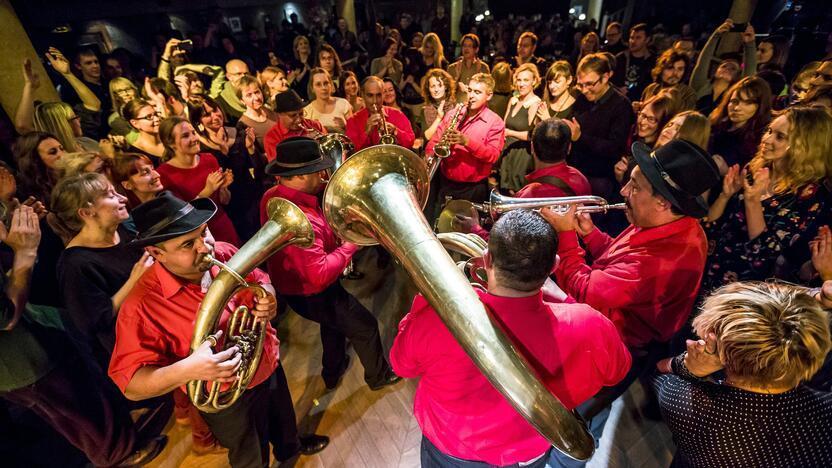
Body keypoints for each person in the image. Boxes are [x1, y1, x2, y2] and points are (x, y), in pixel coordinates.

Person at [390, 209, 631, 467]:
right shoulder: (590, 325)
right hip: (528, 451)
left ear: (487, 259)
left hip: (450, 448)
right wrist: (563, 298)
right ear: (554, 266)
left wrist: (423, 305)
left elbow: (400, 364)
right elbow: (618, 371)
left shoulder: (437, 318)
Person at [107, 192, 329, 467]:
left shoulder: (222, 251)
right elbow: (131, 385)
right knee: (249, 453)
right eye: (188, 243)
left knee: (282, 417)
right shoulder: (141, 306)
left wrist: (268, 297)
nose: (206, 246)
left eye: (205, 232)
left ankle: (290, 447)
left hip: (266, 362)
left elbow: (260, 280)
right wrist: (189, 369)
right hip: (227, 395)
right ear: (156, 253)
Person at [541, 139, 721, 460]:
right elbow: (617, 260)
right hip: (617, 338)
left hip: (615, 348)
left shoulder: (662, 257)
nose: (624, 192)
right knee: (590, 412)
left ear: (664, 202)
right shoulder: (671, 224)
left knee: (572, 422)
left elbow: (584, 289)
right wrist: (590, 235)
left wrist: (566, 235)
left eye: (635, 187)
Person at [0, 204, 167, 467]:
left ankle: (123, 434)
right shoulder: (77, 263)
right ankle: (117, 455)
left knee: (89, 392)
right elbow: (6, 316)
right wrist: (25, 251)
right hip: (21, 362)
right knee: (78, 414)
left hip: (39, 336)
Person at [259, 137, 401, 392]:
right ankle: (378, 377)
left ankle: (332, 372)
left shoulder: (271, 196)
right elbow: (320, 274)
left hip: (293, 288)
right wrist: (351, 244)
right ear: (301, 176)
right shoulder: (304, 219)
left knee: (333, 325)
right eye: (319, 171)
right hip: (314, 293)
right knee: (365, 326)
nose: (325, 176)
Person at [654, 281, 832, 467]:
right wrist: (816, 298)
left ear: (722, 354)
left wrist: (688, 366)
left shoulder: (694, 408)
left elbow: (658, 374)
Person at [703, 106, 832, 295]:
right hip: (710, 269)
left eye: (780, 137)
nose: (767, 140)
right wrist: (725, 195)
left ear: (806, 146)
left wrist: (752, 201)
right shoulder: (756, 169)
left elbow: (764, 255)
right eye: (769, 131)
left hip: (742, 290)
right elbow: (711, 225)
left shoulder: (810, 196)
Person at [425, 73, 505, 221]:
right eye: (470, 90)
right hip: (446, 184)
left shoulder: (495, 122)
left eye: (478, 92)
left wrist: (466, 141)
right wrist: (429, 157)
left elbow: (492, 155)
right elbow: (434, 141)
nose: (471, 96)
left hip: (473, 190)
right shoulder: (452, 114)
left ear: (489, 95)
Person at [156, 116, 240, 246]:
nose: (194, 139)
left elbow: (224, 201)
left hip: (223, 225)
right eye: (185, 136)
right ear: (170, 143)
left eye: (193, 133)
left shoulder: (209, 159)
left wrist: (223, 187)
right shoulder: (164, 174)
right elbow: (180, 217)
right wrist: (207, 190)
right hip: (199, 237)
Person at [568, 54, 635, 200]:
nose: (584, 90)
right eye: (580, 85)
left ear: (605, 77)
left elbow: (615, 148)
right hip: (575, 173)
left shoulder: (621, 105)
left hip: (599, 179)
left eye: (590, 84)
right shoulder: (581, 99)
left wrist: (580, 137)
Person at [690, 19, 757, 116]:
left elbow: (749, 73)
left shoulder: (735, 93)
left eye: (733, 68)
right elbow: (703, 61)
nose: (727, 69)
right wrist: (716, 35)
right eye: (724, 66)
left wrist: (749, 44)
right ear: (716, 71)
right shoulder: (701, 85)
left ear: (737, 76)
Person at [708, 76, 772, 168]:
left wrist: (727, 172)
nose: (737, 108)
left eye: (747, 103)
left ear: (760, 107)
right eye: (734, 101)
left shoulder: (759, 142)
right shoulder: (715, 125)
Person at [500, 63, 542, 193]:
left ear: (534, 81)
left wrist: (509, 132)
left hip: (522, 154)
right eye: (519, 80)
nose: (521, 84)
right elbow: (504, 124)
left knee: (517, 193)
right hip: (508, 151)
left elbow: (533, 135)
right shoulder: (513, 100)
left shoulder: (535, 103)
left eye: (526, 80)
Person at [345, 76, 415, 151]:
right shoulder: (353, 120)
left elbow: (410, 141)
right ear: (363, 95)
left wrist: (396, 131)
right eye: (370, 95)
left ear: (383, 94)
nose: (375, 101)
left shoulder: (397, 114)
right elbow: (351, 150)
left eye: (378, 95)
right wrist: (366, 132)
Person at [263, 90, 326, 161]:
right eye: (293, 115)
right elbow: (279, 166)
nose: (299, 120)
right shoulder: (271, 137)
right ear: (279, 115)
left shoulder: (315, 125)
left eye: (301, 114)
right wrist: (306, 144)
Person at [612, 24, 655, 102]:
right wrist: (617, 89)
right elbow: (608, 79)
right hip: (618, 102)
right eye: (631, 38)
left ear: (647, 39)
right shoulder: (620, 58)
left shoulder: (652, 61)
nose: (633, 41)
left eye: (638, 38)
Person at [304, 68, 352, 133]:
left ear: (331, 84)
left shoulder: (343, 104)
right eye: (318, 84)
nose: (323, 88)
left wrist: (345, 126)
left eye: (326, 83)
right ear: (312, 88)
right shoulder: (307, 112)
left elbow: (355, 132)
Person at [236, 75, 278, 147]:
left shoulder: (269, 109)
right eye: (249, 95)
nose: (256, 98)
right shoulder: (243, 124)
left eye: (257, 92)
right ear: (242, 101)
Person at [448, 33, 490, 103]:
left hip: (476, 106)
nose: (466, 49)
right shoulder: (452, 67)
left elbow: (487, 91)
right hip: (458, 107)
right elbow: (447, 92)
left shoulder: (483, 68)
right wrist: (457, 82)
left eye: (470, 46)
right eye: (464, 45)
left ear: (476, 49)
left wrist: (478, 73)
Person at [122, 99, 165, 165]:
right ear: (135, 123)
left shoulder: (170, 140)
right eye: (149, 117)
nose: (157, 119)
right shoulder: (134, 155)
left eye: (156, 114)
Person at [418, 69, 456, 143]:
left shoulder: (456, 107)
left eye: (439, 85)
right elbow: (426, 137)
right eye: (432, 86)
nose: (436, 90)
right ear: (428, 89)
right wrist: (439, 118)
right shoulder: (424, 110)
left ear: (446, 87)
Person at [288, 35, 314, 100]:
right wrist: (303, 72)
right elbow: (292, 84)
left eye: (305, 43)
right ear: (297, 48)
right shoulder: (294, 64)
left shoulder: (313, 60)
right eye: (300, 44)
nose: (303, 45)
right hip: (300, 95)